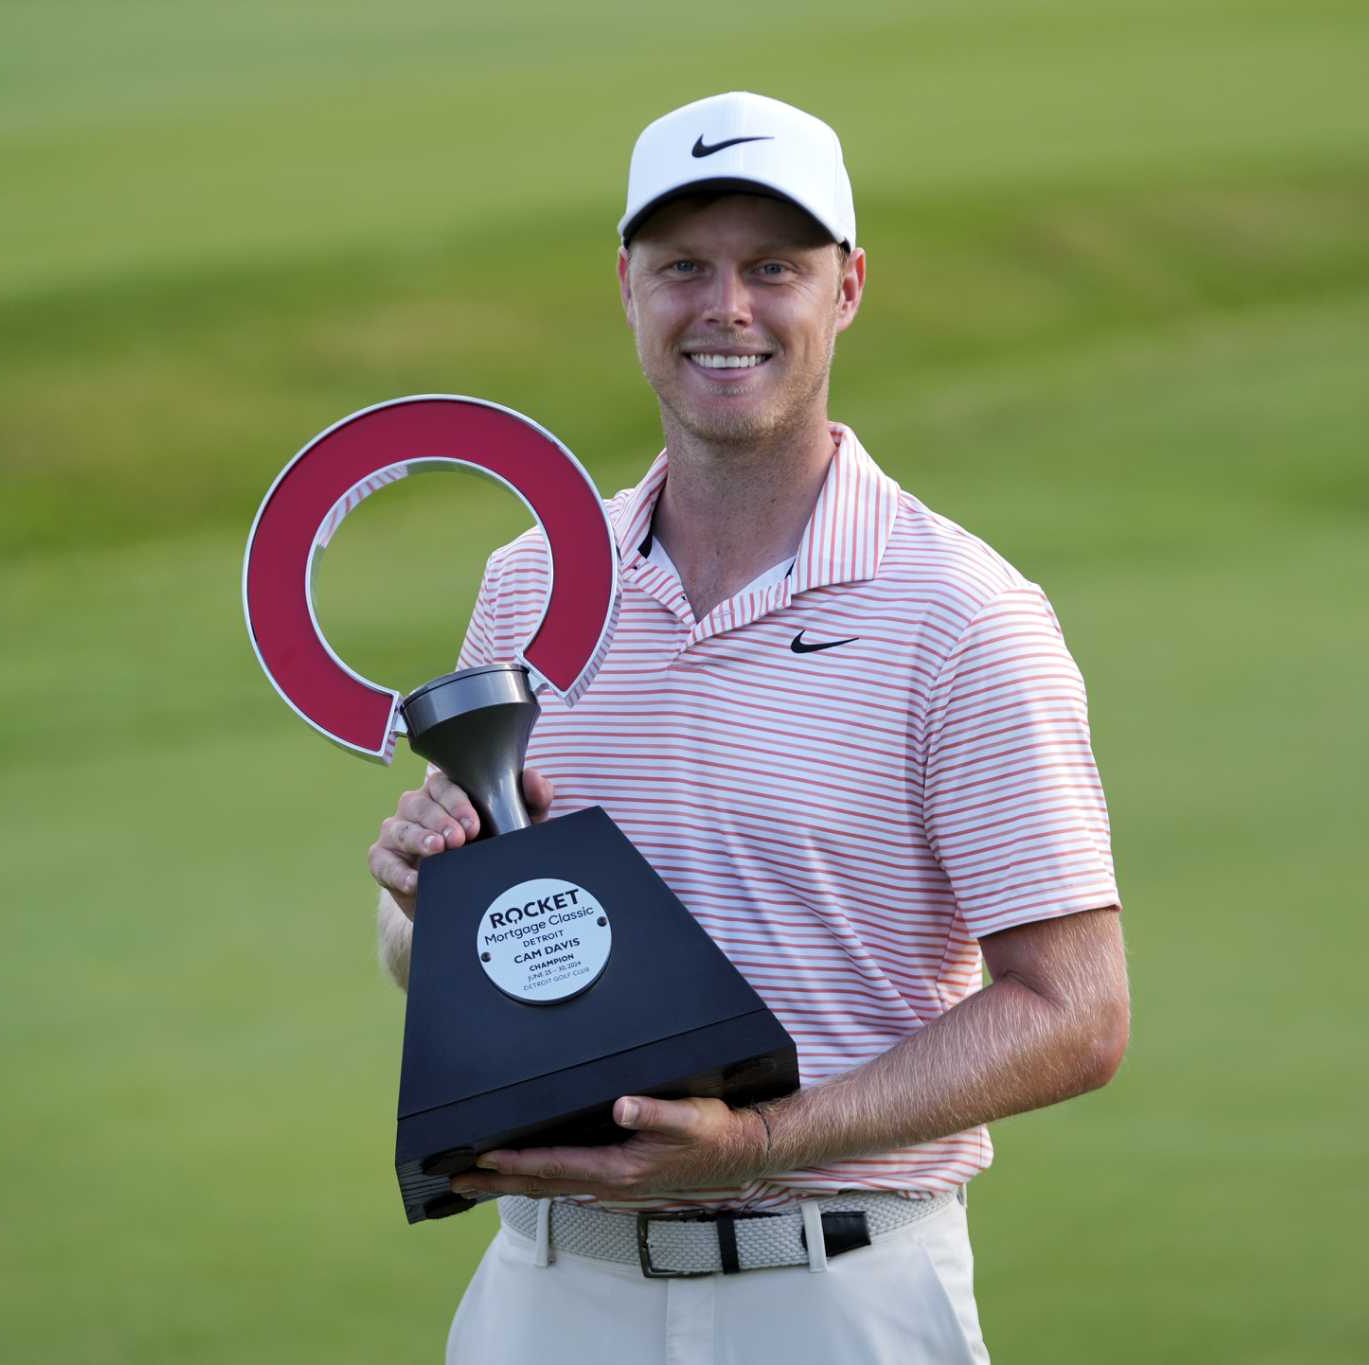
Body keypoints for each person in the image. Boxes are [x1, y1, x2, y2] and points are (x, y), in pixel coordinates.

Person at [367, 91, 1128, 1365]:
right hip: (553, 1293)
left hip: (834, 1290)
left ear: (848, 288)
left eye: (773, 267)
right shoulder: (530, 585)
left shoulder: (958, 614)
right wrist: (420, 902)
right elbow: (446, 958)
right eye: (683, 268)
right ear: (625, 288)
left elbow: (1074, 1012)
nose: (725, 308)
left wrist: (766, 1140)